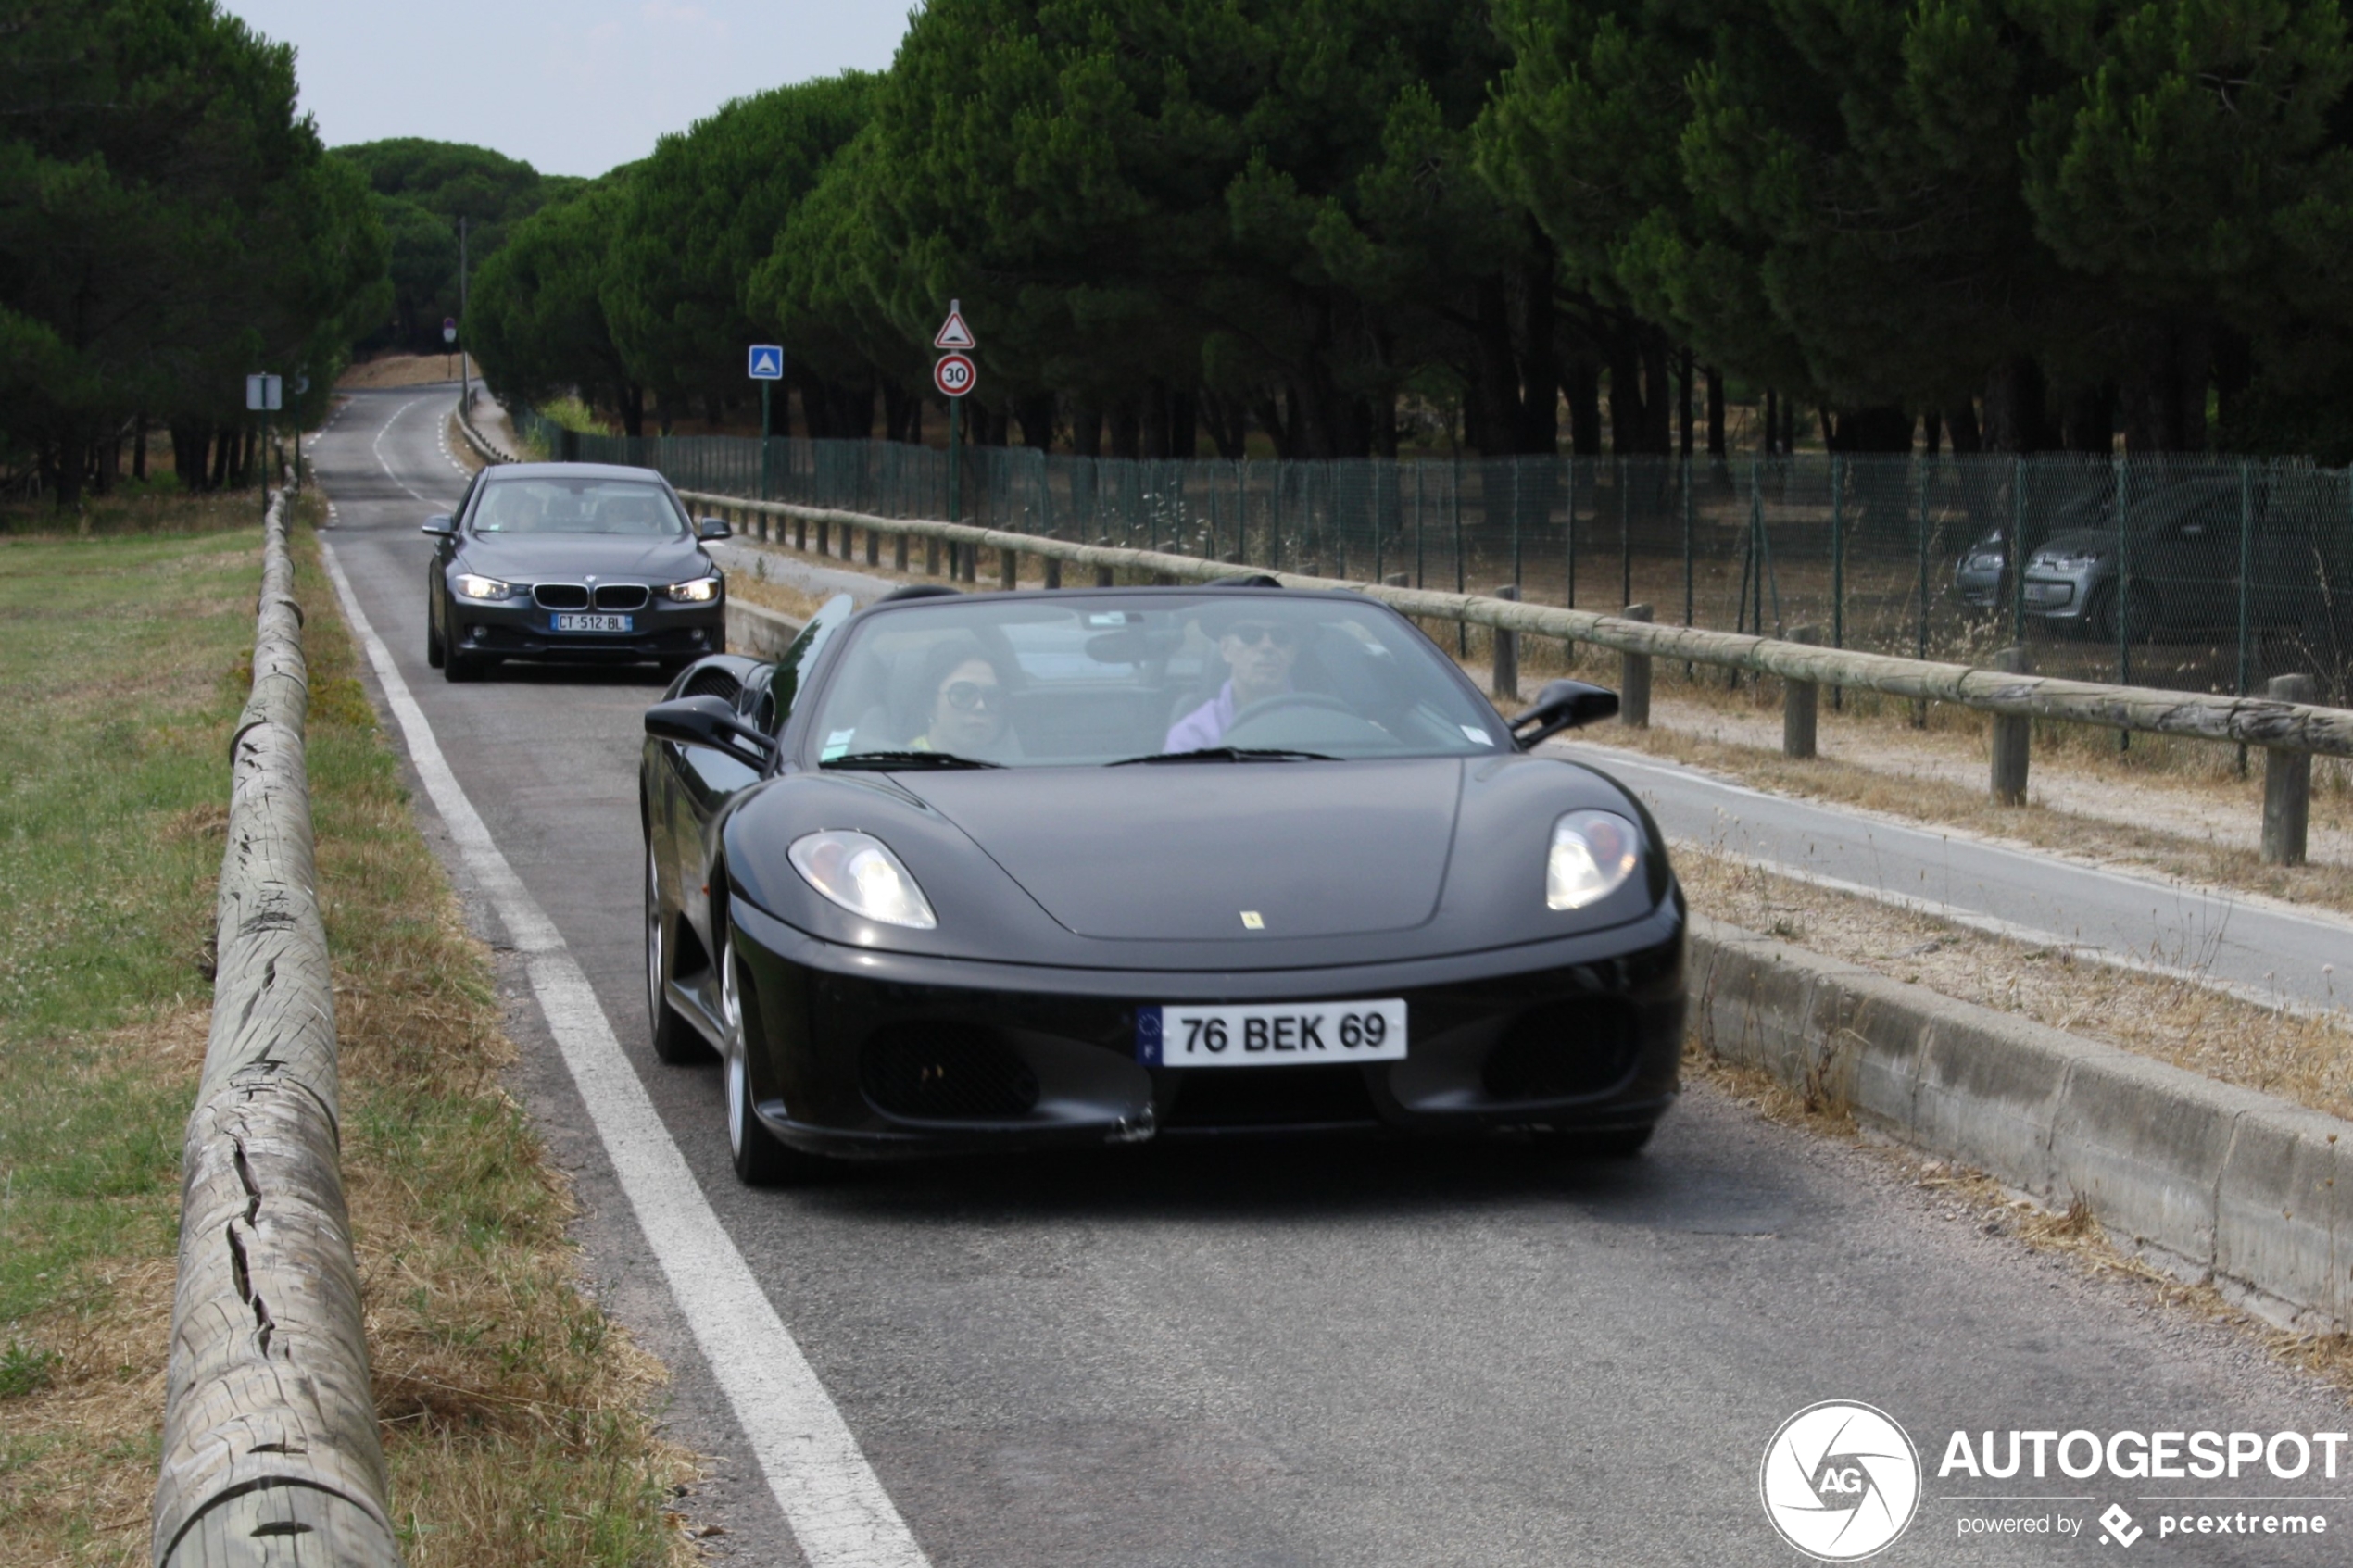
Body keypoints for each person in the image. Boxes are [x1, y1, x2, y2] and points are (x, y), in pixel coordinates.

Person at [1164, 609, 1302, 751]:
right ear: (1225, 649)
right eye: (1250, 635)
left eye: (1280, 636)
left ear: (1293, 652)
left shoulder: (1317, 725)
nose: (1267, 646)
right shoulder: (1194, 735)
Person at [907, 635, 1016, 759]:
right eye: (963, 695)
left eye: (992, 696)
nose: (981, 706)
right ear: (930, 705)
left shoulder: (1018, 767)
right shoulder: (906, 767)